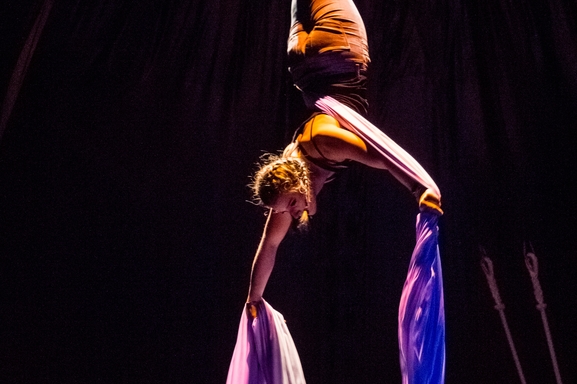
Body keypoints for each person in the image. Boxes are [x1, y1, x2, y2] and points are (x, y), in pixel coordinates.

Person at [228, 0, 445, 382]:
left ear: (294, 182)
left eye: (292, 205)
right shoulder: (291, 170)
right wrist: (253, 300)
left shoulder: (323, 141)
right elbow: (270, 246)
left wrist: (420, 188)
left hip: (340, 50)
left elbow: (379, 154)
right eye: (289, 210)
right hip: (303, 65)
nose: (293, 213)